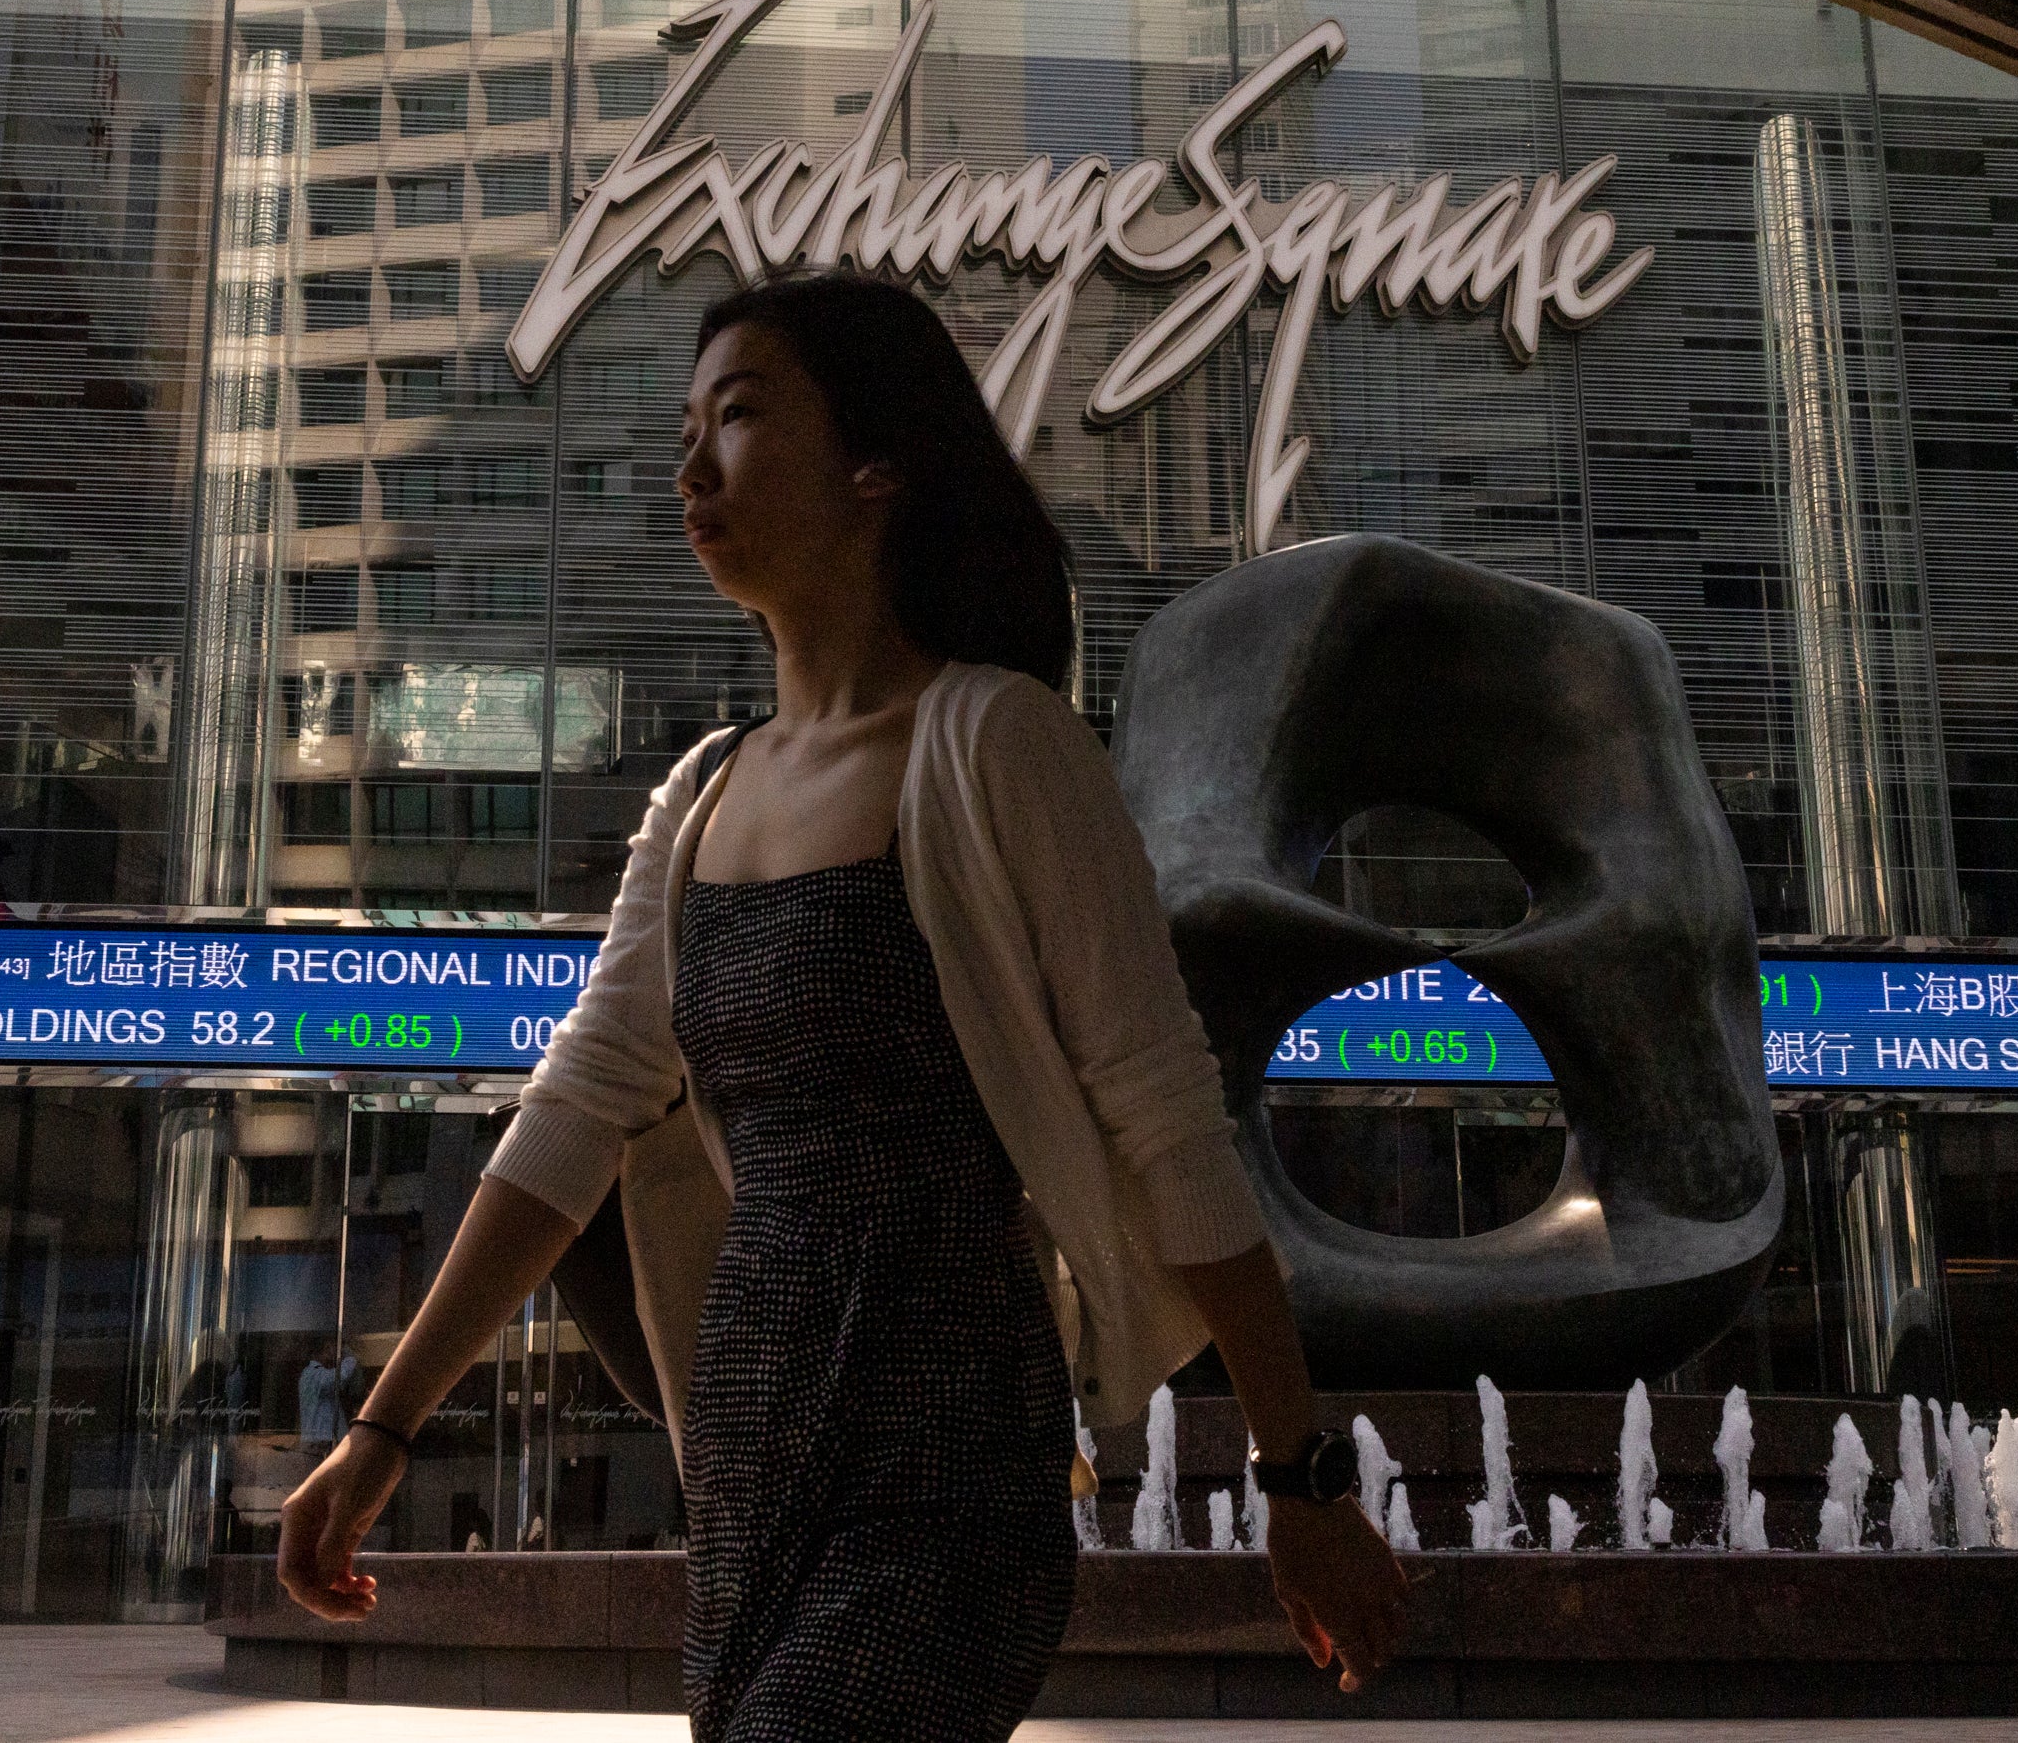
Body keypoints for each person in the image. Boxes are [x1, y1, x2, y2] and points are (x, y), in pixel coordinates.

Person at [279, 274, 1411, 1738]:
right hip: (747, 1440)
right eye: (685, 428)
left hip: (947, 1443)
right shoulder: (700, 798)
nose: (692, 467)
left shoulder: (1002, 743)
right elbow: (571, 1115)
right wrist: (381, 1433)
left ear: (877, 462)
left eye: (740, 418)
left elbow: (1171, 1118)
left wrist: (1300, 1477)